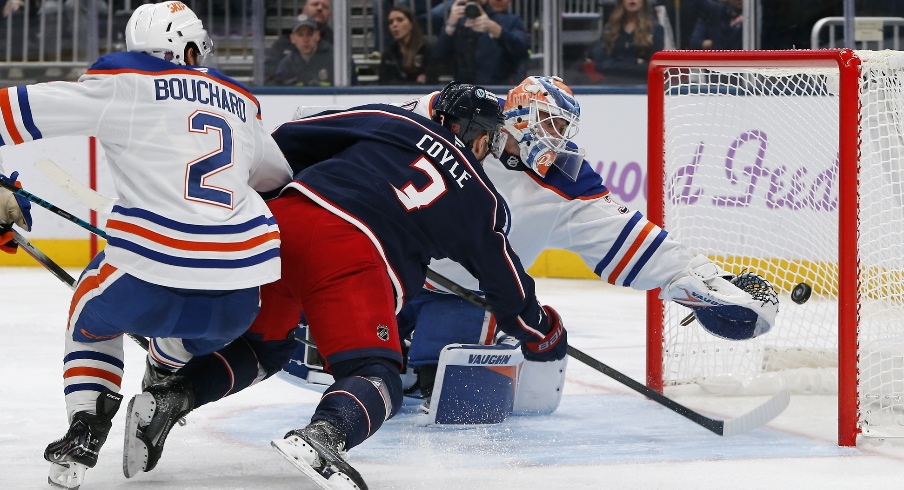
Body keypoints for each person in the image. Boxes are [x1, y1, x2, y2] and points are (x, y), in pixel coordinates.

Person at [120, 83, 568, 489]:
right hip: (351, 259)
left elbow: (291, 137)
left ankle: (169, 400)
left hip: (282, 226)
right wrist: (542, 332)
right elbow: (508, 288)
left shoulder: (393, 120)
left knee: (264, 347)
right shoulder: (481, 198)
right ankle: (325, 433)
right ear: (482, 137)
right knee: (375, 375)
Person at [0, 3, 293, 488]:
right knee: (185, 324)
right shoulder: (241, 101)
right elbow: (277, 180)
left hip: (152, 274)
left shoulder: (127, 82)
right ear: (193, 48)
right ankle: (163, 371)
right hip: (240, 300)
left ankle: (85, 426)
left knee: (89, 317)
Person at [388, 75, 779, 403]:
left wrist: (697, 279)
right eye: (550, 124)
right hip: (397, 268)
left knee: (431, 386)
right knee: (367, 364)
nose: (557, 139)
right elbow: (383, 127)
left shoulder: (566, 180)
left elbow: (629, 238)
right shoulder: (462, 114)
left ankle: (492, 338)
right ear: (521, 115)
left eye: (563, 129)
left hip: (469, 296)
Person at [433, 0, 529, 85]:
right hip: (464, 90)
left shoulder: (510, 21)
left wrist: (495, 29)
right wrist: (450, 25)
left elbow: (522, 48)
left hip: (498, 88)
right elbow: (438, 56)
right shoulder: (457, 21)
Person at [587, 0, 664, 84]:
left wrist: (616, 61)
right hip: (611, 88)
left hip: (643, 88)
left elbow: (654, 67)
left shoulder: (655, 29)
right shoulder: (609, 29)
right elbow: (600, 65)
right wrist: (635, 62)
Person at [378, 6, 439, 85]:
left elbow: (430, 80)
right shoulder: (389, 53)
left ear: (411, 24)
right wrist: (415, 82)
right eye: (391, 22)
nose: (394, 25)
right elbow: (384, 81)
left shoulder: (426, 49)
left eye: (400, 20)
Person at [268, 14, 335, 86]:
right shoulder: (287, 64)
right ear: (292, 38)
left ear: (317, 35)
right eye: (300, 35)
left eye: (310, 34)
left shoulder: (333, 58)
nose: (305, 39)